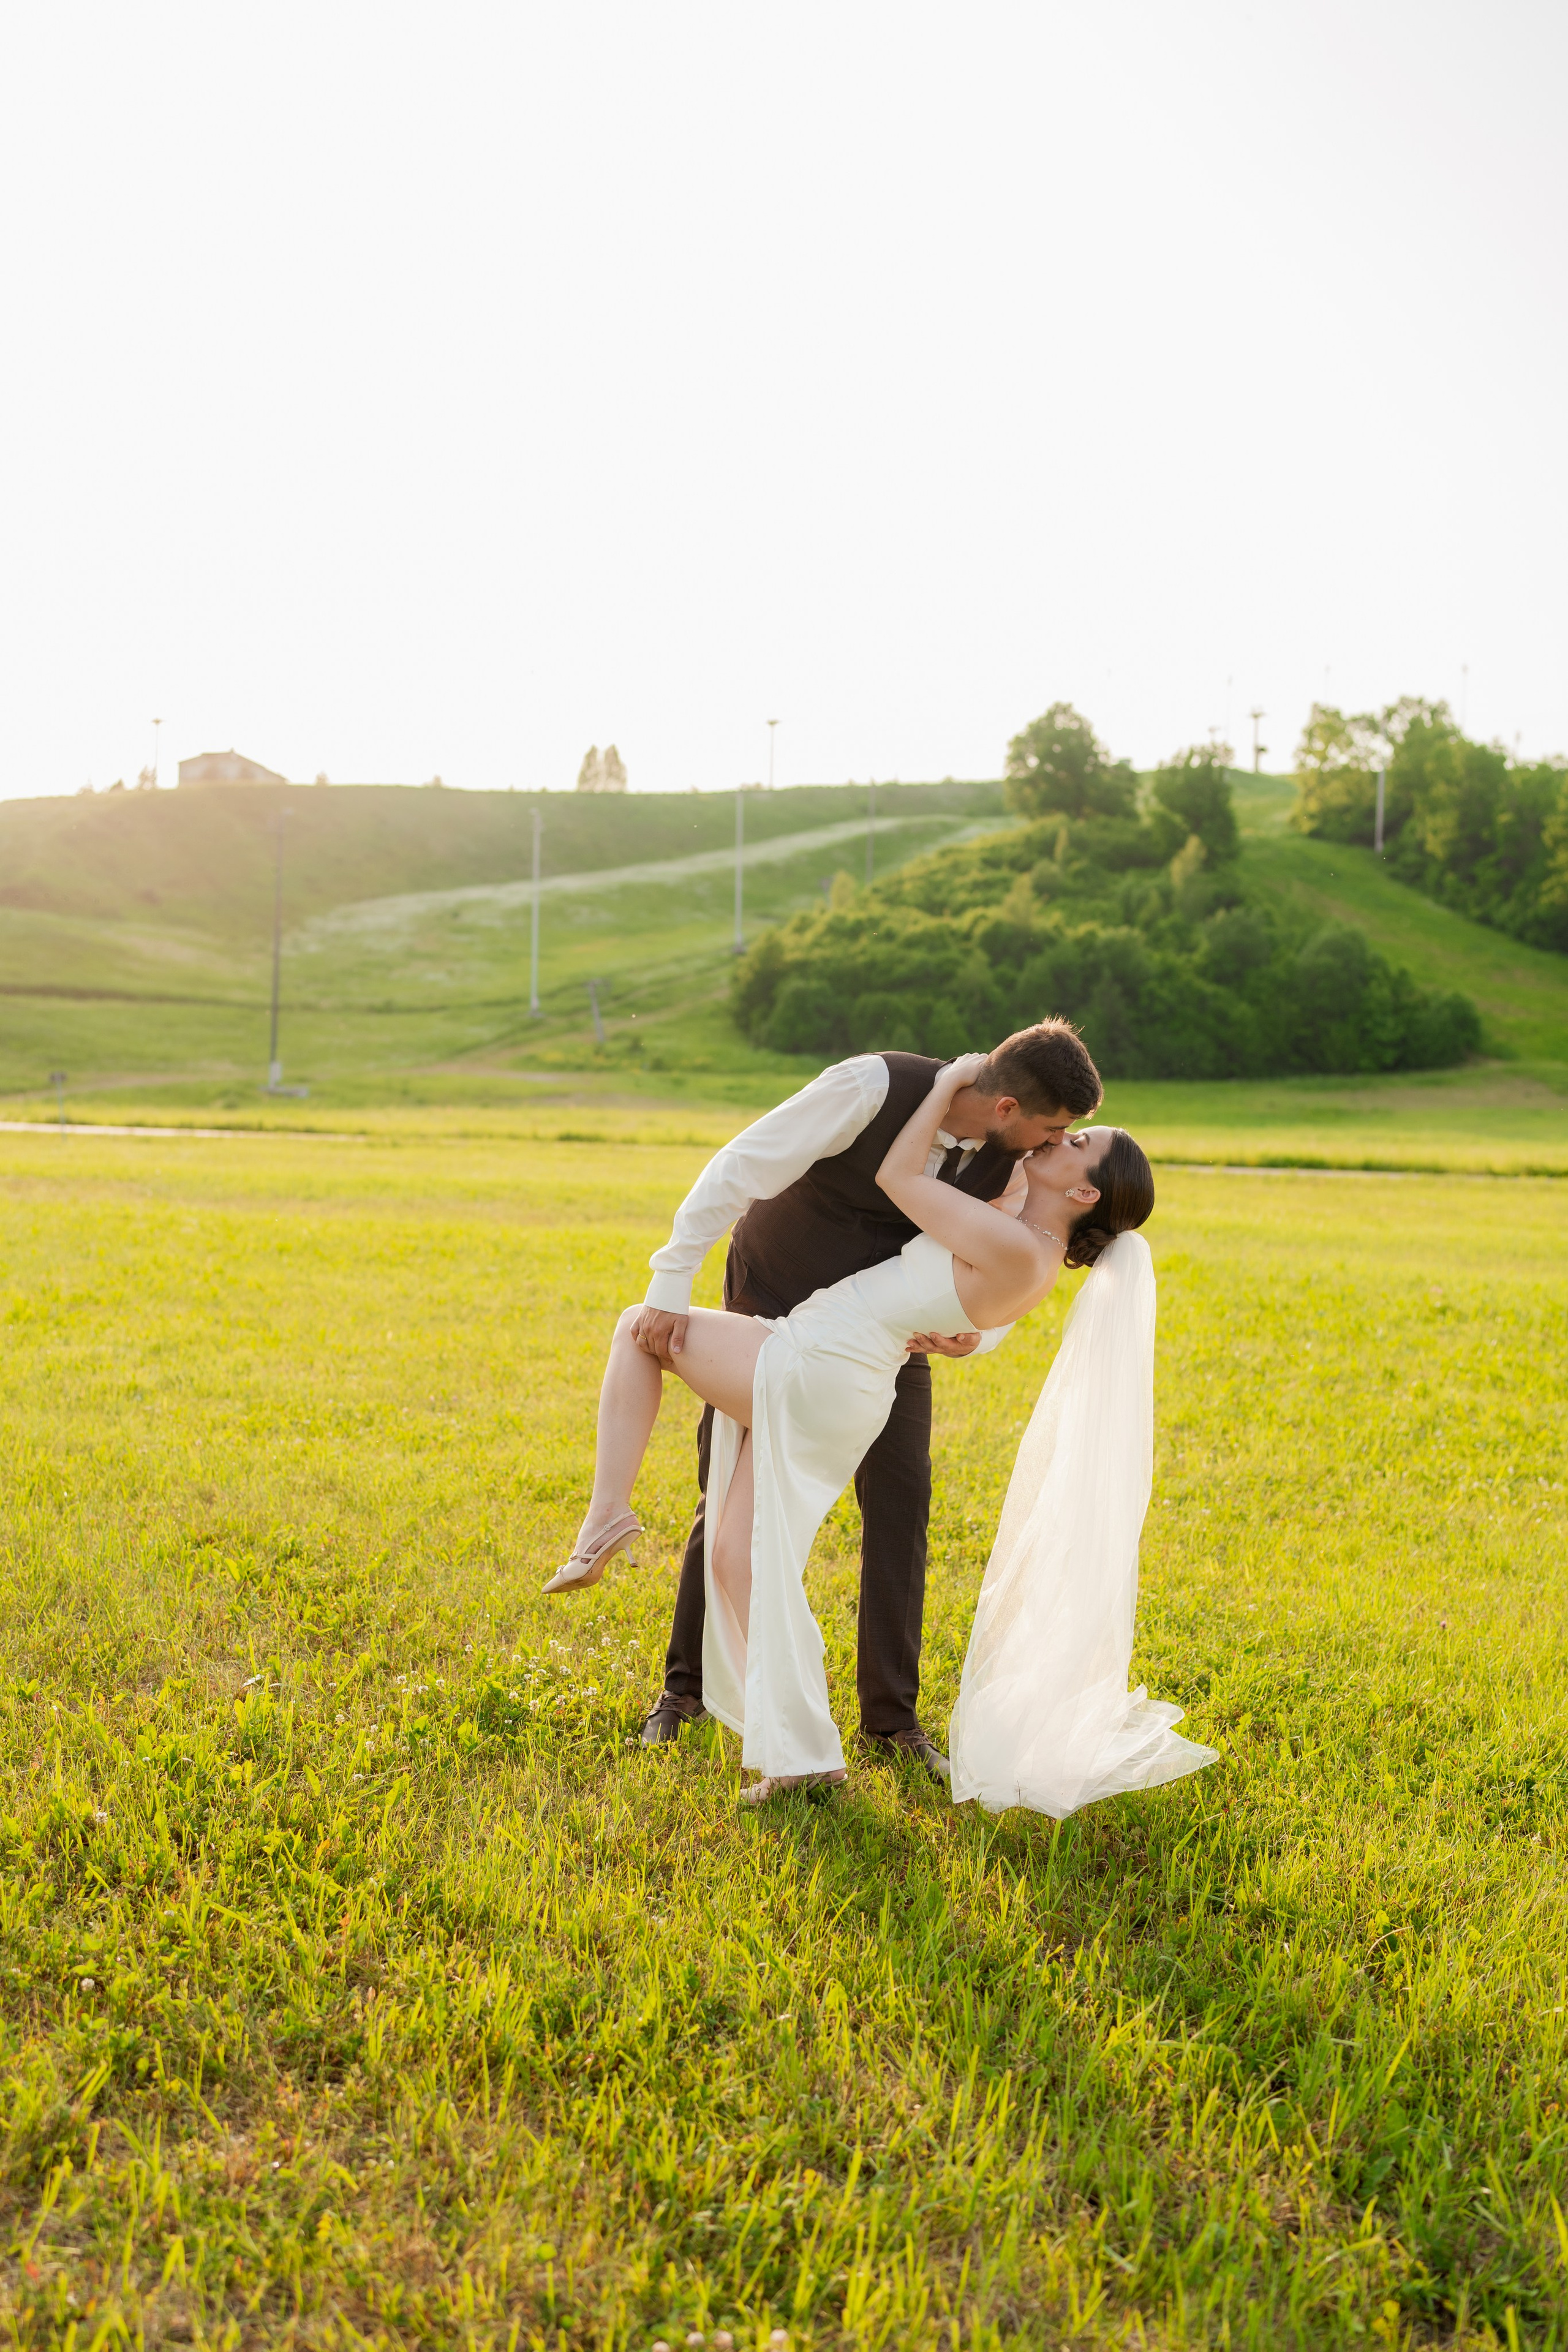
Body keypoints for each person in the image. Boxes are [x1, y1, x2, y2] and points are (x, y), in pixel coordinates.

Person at [546, 1055, 1212, 1810]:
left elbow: (907, 1190)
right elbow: (748, 1170)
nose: (1059, 1140)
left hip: (825, 1363)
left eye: (1072, 1141)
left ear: (1085, 1191)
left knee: (641, 1329)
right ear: (1008, 1107)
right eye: (1059, 1128)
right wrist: (968, 1328)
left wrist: (933, 1100)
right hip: (818, 1341)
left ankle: (608, 1514)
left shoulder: (1020, 1211)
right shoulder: (988, 1175)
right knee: (737, 1556)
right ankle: (801, 1756)